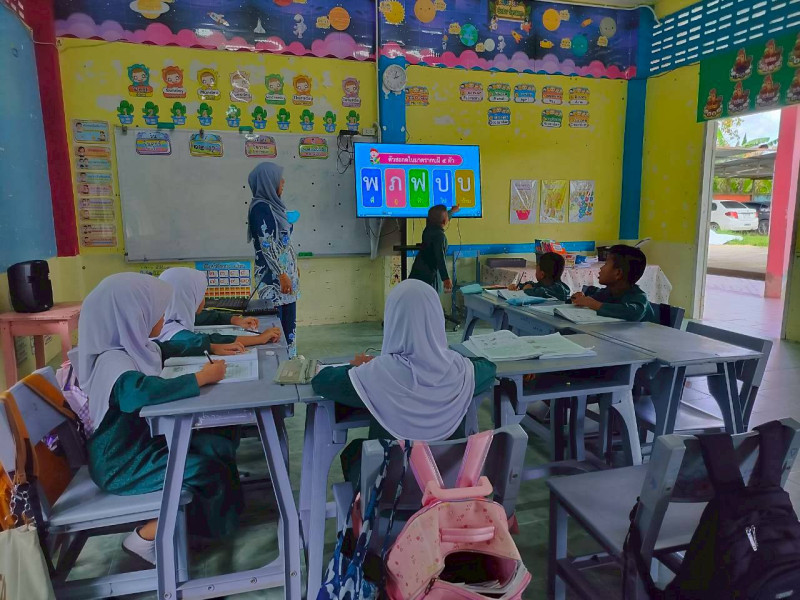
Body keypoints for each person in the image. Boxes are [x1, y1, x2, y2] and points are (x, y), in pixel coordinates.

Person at [74, 273, 243, 565]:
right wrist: (200, 379)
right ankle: (150, 537)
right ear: (131, 314)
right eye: (155, 311)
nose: (162, 318)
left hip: (140, 447)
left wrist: (213, 347)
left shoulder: (132, 348)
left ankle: (212, 527)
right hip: (122, 464)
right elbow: (139, 392)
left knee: (218, 446)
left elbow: (167, 349)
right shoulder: (112, 362)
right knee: (207, 470)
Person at [311, 279, 496, 482]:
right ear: (436, 319)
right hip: (447, 486)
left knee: (354, 452)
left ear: (394, 320)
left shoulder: (377, 373)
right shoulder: (460, 369)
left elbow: (322, 381)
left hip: (392, 488)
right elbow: (489, 368)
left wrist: (361, 367)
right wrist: (446, 357)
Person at [157, 267, 280, 352]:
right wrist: (259, 339)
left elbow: (207, 316)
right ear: (187, 297)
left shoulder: (170, 315)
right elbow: (205, 341)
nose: (204, 299)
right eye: (201, 294)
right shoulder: (168, 331)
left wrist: (237, 320)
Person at [247, 163, 299, 356]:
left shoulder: (276, 207)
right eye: (278, 179)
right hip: (273, 279)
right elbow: (267, 245)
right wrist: (282, 274)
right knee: (276, 327)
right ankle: (279, 363)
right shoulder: (261, 208)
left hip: (285, 276)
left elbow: (284, 242)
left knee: (289, 325)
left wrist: (294, 266)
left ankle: (290, 361)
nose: (283, 182)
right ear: (268, 182)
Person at [571, 244, 656, 322]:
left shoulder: (639, 297)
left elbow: (632, 313)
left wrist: (594, 304)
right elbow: (592, 299)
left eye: (606, 264)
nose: (601, 268)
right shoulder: (607, 292)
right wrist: (579, 299)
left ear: (618, 273)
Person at [408, 204, 459, 293]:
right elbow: (440, 258)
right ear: (444, 221)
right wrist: (446, 278)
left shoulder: (428, 229)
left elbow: (440, 219)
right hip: (428, 276)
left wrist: (452, 211)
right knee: (429, 297)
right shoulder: (439, 236)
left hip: (418, 271)